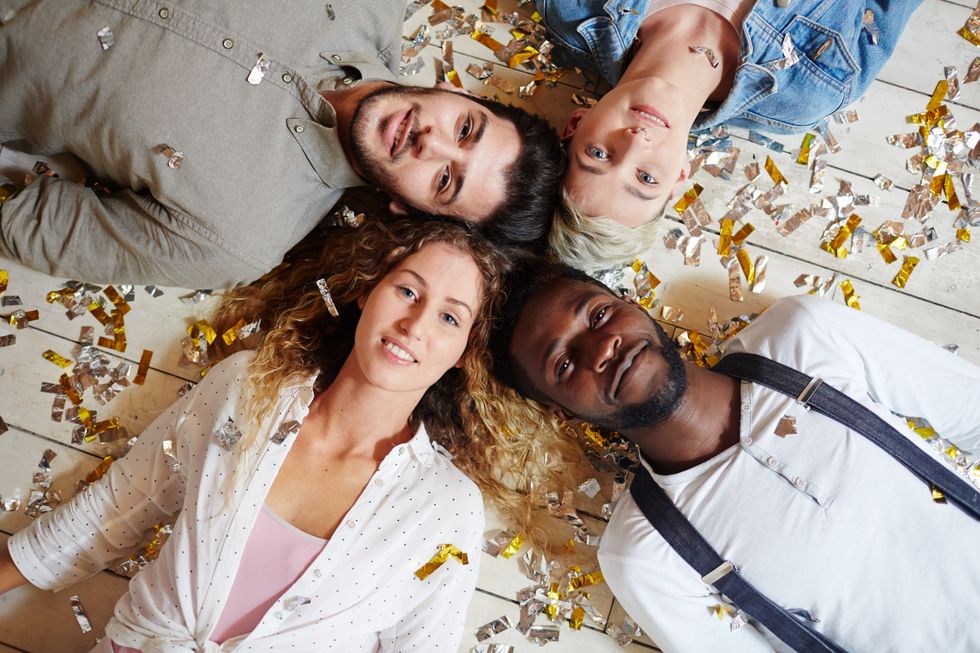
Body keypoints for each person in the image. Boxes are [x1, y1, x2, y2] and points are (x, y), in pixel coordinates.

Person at [0, 219, 518, 652]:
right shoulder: (249, 388)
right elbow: (114, 511)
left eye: (449, 317)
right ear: (366, 290)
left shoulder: (446, 510)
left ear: (464, 351)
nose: (415, 324)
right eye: (407, 290)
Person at [489, 258, 980, 651]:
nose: (603, 348)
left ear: (631, 303)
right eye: (565, 362)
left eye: (598, 315)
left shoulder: (801, 338)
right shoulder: (645, 556)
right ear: (564, 413)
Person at [0, 0, 563, 288]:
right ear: (454, 89)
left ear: (409, 209)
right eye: (465, 128)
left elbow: (26, 225)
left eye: (445, 180)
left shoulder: (237, 237)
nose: (430, 142)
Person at [539, 0, 921, 272]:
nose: (636, 141)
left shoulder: (573, 10)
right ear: (680, 178)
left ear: (576, 124)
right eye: (646, 178)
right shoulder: (811, 92)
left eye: (599, 155)